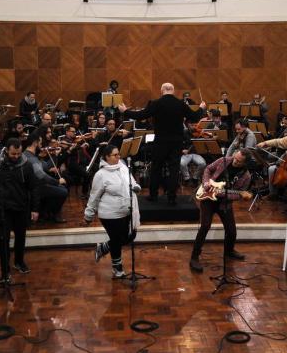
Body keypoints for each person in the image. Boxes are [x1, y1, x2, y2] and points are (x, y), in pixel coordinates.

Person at [118, 83, 206, 205]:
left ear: (161, 90)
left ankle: (153, 196)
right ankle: (172, 197)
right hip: (176, 142)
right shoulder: (181, 104)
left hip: (160, 141)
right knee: (174, 169)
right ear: (173, 90)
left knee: (156, 168)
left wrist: (125, 111)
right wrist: (201, 108)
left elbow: (141, 115)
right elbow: (195, 117)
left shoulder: (156, 103)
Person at [0, 138, 40, 283]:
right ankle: (5, 272)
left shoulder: (27, 165)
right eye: (13, 154)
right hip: (2, 209)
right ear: (6, 151)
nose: (16, 157)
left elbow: (35, 187)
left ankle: (19, 261)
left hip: (21, 207)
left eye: (18, 154)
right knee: (3, 240)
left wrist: (35, 209)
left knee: (20, 237)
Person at [189, 149, 253, 272]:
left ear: (245, 163)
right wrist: (206, 182)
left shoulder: (246, 176)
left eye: (239, 161)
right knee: (205, 226)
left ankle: (229, 251)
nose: (235, 161)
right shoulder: (223, 160)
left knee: (231, 231)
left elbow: (238, 195)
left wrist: (222, 194)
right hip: (208, 199)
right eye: (235, 158)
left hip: (224, 203)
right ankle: (194, 257)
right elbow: (208, 169)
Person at [84, 144, 141, 278]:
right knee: (116, 240)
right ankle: (117, 268)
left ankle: (103, 248)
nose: (118, 157)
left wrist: (136, 186)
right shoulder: (100, 175)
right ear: (106, 157)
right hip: (110, 213)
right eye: (115, 155)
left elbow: (132, 181)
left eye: (118, 154)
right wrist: (89, 214)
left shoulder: (123, 167)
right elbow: (94, 196)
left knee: (130, 236)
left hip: (127, 210)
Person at [23, 130, 68, 223]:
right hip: (34, 188)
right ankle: (52, 215)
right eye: (40, 142)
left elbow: (46, 166)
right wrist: (57, 182)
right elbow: (41, 175)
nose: (41, 144)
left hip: (37, 185)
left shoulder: (31, 155)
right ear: (35, 143)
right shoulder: (30, 157)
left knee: (61, 187)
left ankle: (47, 213)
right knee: (63, 191)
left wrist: (54, 155)